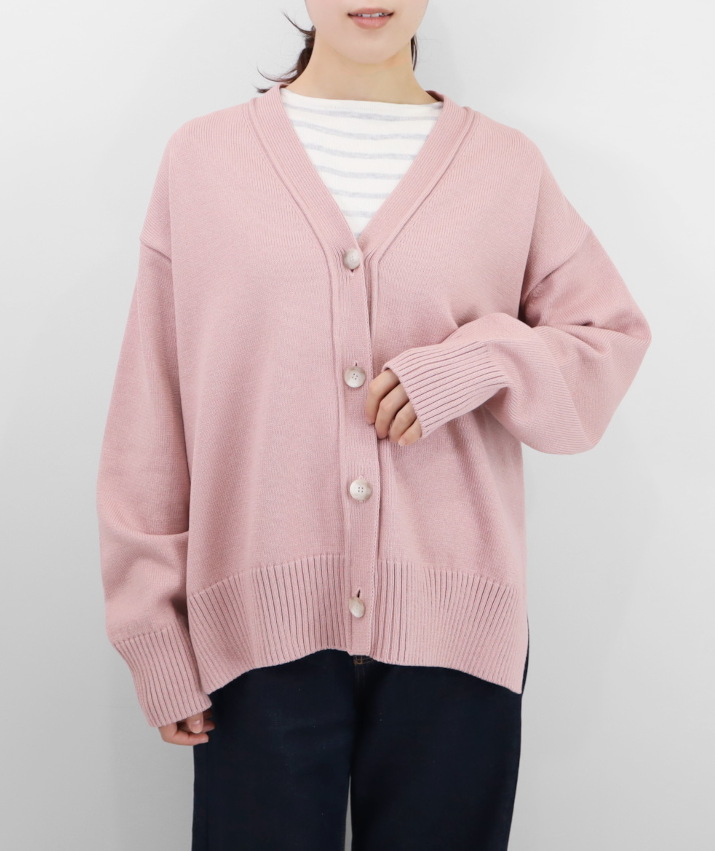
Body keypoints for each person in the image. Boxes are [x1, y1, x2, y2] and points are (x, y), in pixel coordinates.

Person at [95, 1, 652, 848]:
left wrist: (479, 361)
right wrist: (152, 630)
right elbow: (151, 407)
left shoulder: (505, 168)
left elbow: (607, 340)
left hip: (457, 638)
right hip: (251, 633)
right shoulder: (201, 161)